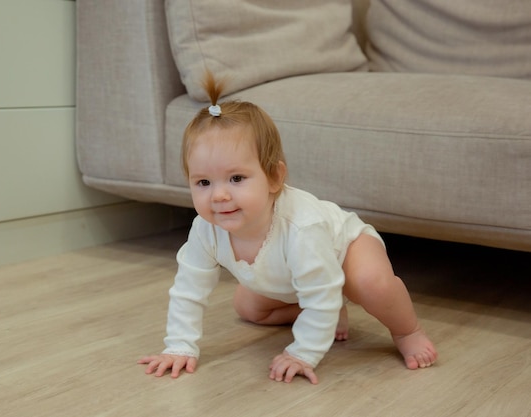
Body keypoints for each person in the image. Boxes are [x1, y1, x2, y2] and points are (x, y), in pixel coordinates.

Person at [138, 73, 437, 384]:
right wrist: (179, 346)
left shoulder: (301, 227)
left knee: (370, 284)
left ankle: (407, 330)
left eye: (237, 178)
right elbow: (188, 290)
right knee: (247, 307)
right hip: (295, 277)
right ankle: (330, 311)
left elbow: (319, 292)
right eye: (203, 182)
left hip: (344, 247)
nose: (219, 195)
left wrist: (301, 352)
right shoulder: (205, 230)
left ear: (274, 178)